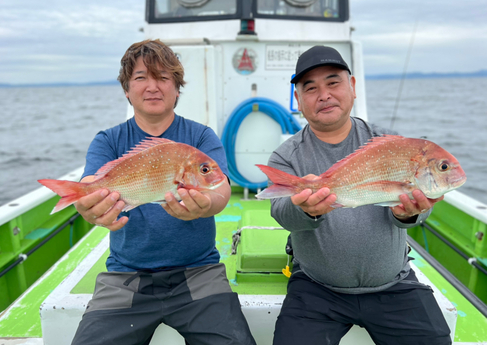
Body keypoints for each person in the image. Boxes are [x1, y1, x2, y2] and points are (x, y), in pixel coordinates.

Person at [70, 39, 256, 345]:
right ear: (127, 90)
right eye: (141, 78)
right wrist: (87, 205)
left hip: (199, 271)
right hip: (125, 277)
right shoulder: (108, 140)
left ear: (177, 88)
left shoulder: (200, 136)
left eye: (163, 77)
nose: (152, 86)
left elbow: (220, 190)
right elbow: (91, 182)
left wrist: (206, 204)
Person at [269, 46, 451, 345]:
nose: (324, 94)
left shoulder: (390, 143)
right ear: (299, 101)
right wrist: (308, 210)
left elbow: (421, 202)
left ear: (352, 87)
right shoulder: (286, 155)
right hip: (316, 288)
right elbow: (281, 213)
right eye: (310, 88)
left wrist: (411, 213)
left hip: (394, 285)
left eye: (333, 82)